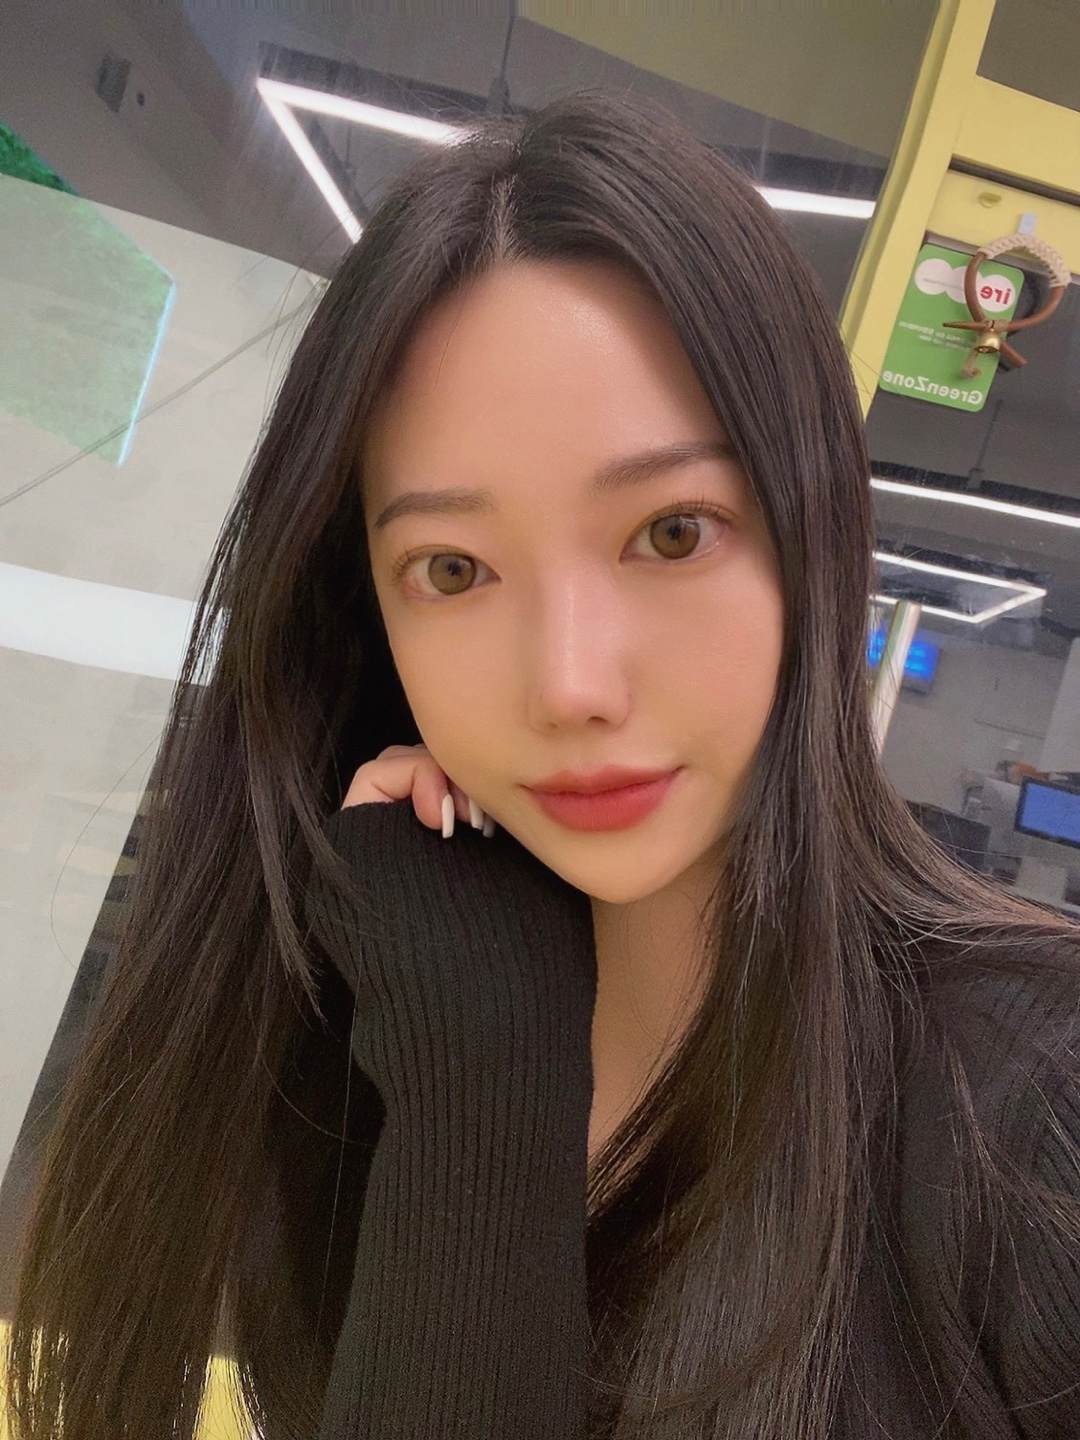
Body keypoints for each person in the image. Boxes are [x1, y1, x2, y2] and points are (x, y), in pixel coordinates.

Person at [5, 88, 1080, 1440]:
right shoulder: (354, 1039)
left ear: (811, 538)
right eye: (453, 569)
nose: (570, 684)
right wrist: (481, 1073)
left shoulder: (1033, 1112)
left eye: (672, 533)